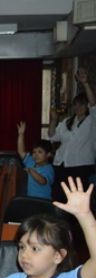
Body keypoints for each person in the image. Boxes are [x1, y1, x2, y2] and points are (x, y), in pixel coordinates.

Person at [0, 177, 96, 278]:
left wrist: (84, 215)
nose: (24, 254)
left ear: (58, 256)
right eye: (22, 247)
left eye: (35, 249)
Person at [49, 68, 96, 201]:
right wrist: (53, 120)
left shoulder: (92, 121)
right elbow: (53, 136)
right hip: (61, 164)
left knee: (77, 200)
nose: (78, 108)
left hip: (80, 167)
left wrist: (85, 83)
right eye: (75, 105)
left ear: (86, 106)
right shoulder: (67, 121)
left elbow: (94, 105)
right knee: (58, 198)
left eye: (82, 105)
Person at [17, 121, 54, 200]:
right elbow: (21, 151)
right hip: (30, 200)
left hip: (43, 202)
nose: (36, 155)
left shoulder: (48, 169)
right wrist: (21, 134)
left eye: (40, 152)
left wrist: (31, 171)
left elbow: (42, 181)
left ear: (48, 155)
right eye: (34, 152)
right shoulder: (31, 161)